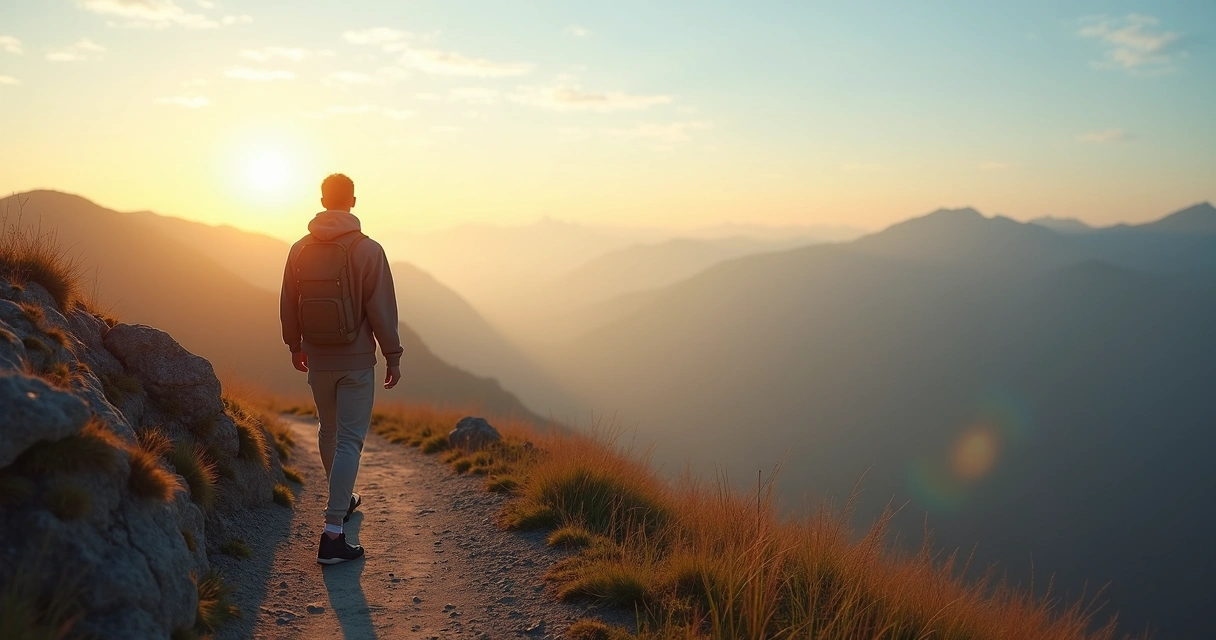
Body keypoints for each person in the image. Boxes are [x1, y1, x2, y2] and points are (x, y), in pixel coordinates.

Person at [279, 173, 403, 565]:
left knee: (328, 432)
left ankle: (343, 499)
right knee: (350, 440)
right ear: (353, 200)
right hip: (356, 362)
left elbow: (287, 302)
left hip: (317, 359)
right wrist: (393, 355)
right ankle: (333, 533)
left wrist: (295, 346)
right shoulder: (368, 250)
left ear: (321, 199)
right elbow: (381, 311)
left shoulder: (299, 249)